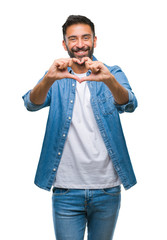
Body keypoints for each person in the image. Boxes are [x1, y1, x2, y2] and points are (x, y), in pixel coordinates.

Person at [22, 15, 137, 240]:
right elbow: (30, 104)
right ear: (65, 44)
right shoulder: (55, 75)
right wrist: (48, 79)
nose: (80, 44)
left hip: (107, 188)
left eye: (85, 37)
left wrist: (108, 79)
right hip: (66, 189)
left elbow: (130, 103)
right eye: (73, 39)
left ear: (95, 40)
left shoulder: (111, 71)